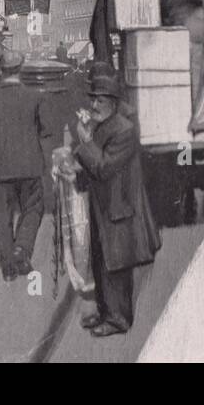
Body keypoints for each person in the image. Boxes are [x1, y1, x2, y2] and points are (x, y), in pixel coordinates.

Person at [71, 68, 161, 337]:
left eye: (101, 100)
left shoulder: (124, 129)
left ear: (113, 102)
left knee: (116, 265)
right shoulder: (104, 125)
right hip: (104, 206)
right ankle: (106, 312)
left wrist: (85, 141)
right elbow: (93, 162)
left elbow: (104, 167)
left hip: (118, 208)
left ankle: (119, 319)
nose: (94, 105)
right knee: (102, 261)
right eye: (93, 99)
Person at [0, 50, 48, 280]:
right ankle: (22, 248)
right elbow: (45, 132)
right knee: (33, 209)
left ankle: (7, 268)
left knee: (2, 219)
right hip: (29, 166)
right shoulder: (35, 96)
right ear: (22, 67)